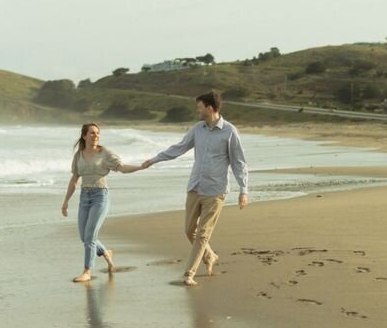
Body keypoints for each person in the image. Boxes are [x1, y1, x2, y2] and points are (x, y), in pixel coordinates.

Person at [142, 91, 249, 286]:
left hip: (215, 191)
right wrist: (155, 159)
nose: (197, 110)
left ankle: (188, 274)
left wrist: (244, 189)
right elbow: (179, 147)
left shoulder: (230, 131)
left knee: (202, 234)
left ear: (210, 108)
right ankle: (210, 256)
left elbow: (238, 162)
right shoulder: (198, 129)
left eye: (199, 107)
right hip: (195, 187)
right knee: (189, 230)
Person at [62, 123, 142, 283]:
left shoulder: (105, 153)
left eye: (97, 133)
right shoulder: (79, 155)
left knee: (90, 236)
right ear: (84, 136)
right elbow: (74, 179)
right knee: (84, 237)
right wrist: (66, 202)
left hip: (100, 196)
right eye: (92, 133)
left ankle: (87, 271)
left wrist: (140, 167)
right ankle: (106, 252)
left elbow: (122, 168)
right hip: (84, 197)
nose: (96, 136)